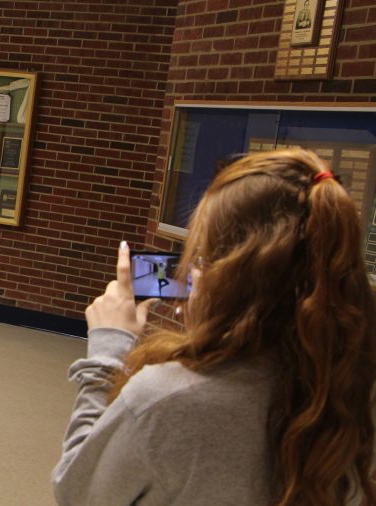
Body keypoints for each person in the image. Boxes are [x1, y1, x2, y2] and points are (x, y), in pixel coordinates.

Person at [52, 149, 375, 505]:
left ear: (235, 278)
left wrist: (107, 354)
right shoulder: (355, 388)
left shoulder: (163, 400)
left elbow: (77, 493)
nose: (189, 276)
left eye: (201, 259)